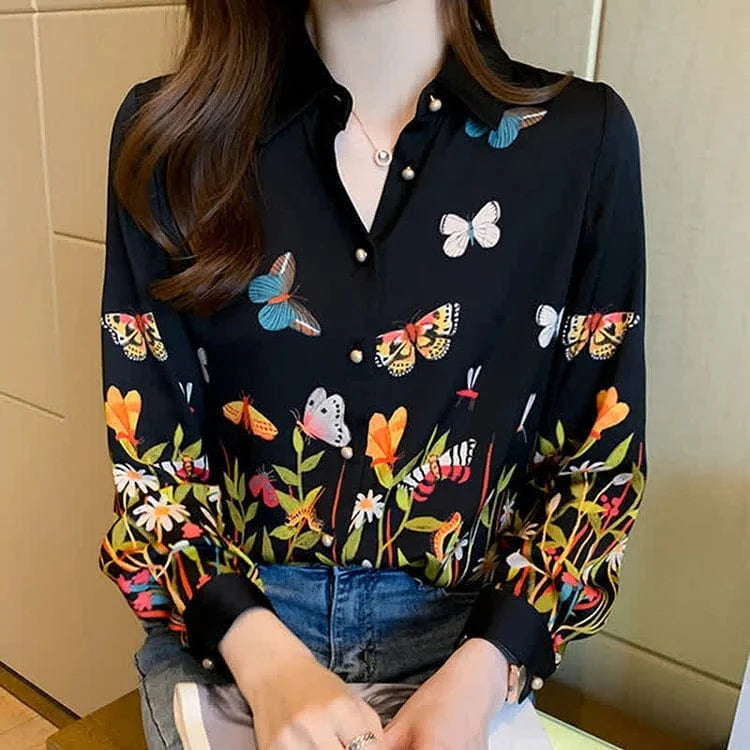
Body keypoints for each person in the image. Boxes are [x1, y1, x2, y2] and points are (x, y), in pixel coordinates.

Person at [97, 0, 647, 748]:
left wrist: (484, 670)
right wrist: (265, 661)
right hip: (235, 643)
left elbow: (600, 462)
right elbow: (151, 467)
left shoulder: (579, 142)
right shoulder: (172, 135)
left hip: (467, 653)